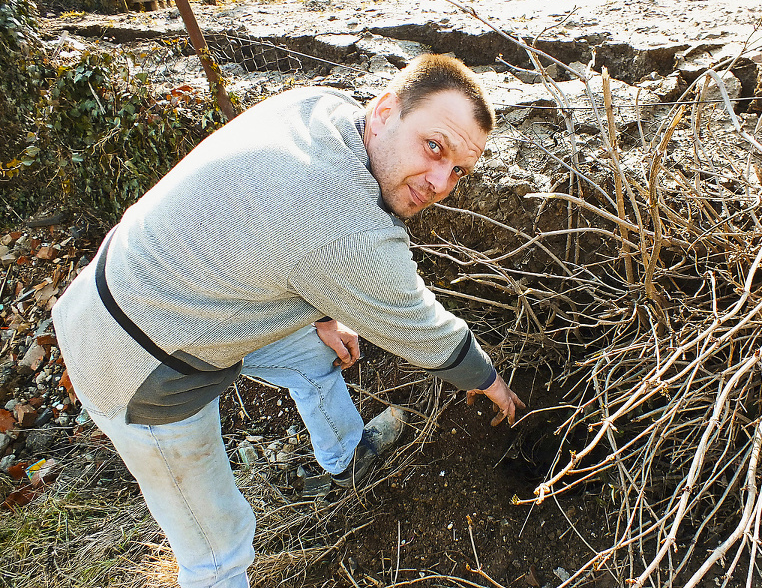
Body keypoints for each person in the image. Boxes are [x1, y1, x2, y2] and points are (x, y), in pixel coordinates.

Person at [51, 53, 525, 588]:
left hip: (175, 279)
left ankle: (346, 455)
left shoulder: (321, 109)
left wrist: (323, 311)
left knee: (318, 352)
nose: (440, 181)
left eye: (459, 170)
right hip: (136, 362)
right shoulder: (348, 230)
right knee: (218, 547)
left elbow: (285, 232)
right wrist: (488, 379)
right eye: (433, 146)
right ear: (386, 111)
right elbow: (422, 329)